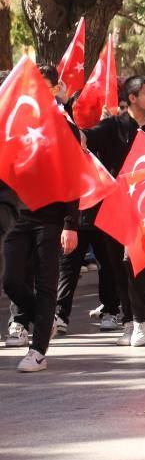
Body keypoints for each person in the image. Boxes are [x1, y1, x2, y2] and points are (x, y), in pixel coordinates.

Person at [3, 64, 79, 372]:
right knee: (9, 279)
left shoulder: (64, 125)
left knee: (46, 283)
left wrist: (71, 224)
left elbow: (75, 177)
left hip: (51, 217)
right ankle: (42, 318)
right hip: (17, 216)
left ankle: (37, 351)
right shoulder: (11, 123)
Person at [84, 75, 145, 347]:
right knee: (117, 266)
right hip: (114, 207)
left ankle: (143, 319)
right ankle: (129, 321)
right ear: (131, 98)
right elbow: (85, 139)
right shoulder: (111, 127)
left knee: (136, 263)